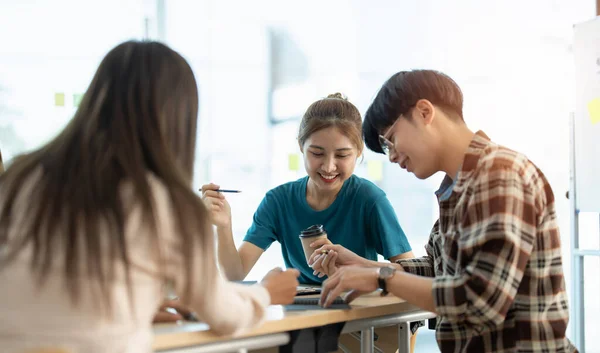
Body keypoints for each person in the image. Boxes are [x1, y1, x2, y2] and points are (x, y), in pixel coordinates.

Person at [0, 40, 299, 353]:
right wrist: (266, 292)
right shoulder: (164, 202)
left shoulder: (20, 177)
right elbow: (225, 315)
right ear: (178, 119)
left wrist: (134, 301)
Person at [317, 70, 578, 353]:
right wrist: (366, 266)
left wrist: (382, 279)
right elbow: (440, 272)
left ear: (424, 112)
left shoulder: (499, 173)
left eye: (390, 140)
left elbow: (479, 302)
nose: (391, 157)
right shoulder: (459, 185)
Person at [202, 93, 414, 353]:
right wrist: (223, 226)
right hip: (303, 321)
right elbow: (235, 274)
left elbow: (408, 270)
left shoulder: (369, 199)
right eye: (317, 153)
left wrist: (357, 270)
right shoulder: (278, 201)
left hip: (359, 320)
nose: (328, 166)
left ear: (359, 152)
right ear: (301, 147)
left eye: (342, 155)